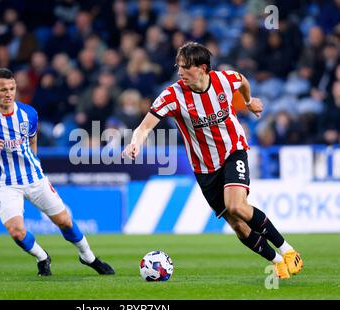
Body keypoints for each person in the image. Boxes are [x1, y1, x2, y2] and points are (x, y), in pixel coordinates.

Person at [122, 42, 303, 279]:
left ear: (202, 68)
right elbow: (144, 126)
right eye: (178, 66)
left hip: (233, 150)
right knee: (237, 224)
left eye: (185, 67)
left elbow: (243, 81)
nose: (180, 72)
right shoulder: (173, 95)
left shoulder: (224, 81)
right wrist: (136, 142)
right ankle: (277, 261)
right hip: (204, 168)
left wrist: (248, 102)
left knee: (237, 205)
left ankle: (288, 251)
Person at [0, 68, 114, 277]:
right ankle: (42, 257)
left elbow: (32, 138)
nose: (8, 93)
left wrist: (35, 159)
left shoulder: (28, 113)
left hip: (34, 178)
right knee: (16, 231)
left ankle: (88, 257)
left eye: (12, 88)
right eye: (3, 90)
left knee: (64, 221)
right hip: (4, 183)